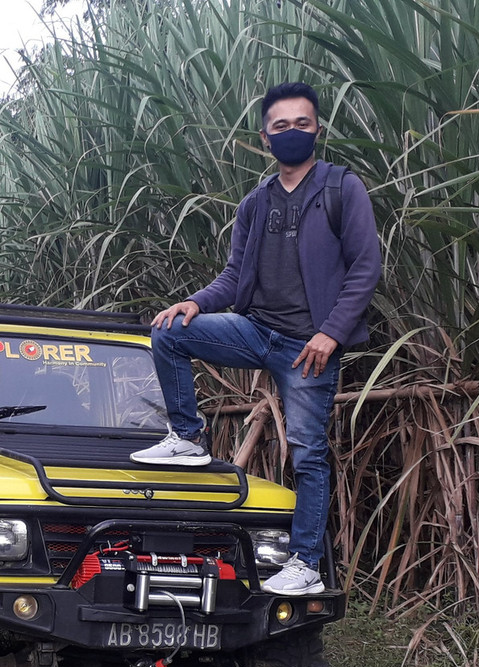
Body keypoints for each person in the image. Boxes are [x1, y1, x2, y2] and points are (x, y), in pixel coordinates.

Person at [131, 82, 381, 596]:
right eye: (281, 126)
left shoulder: (340, 188)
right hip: (255, 332)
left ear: (318, 130)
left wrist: (330, 335)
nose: (292, 133)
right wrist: (195, 303)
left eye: (302, 124)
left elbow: (365, 267)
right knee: (170, 331)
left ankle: (305, 563)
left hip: (307, 350)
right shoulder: (255, 202)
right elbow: (232, 277)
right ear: (265, 136)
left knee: (309, 455)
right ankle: (188, 437)